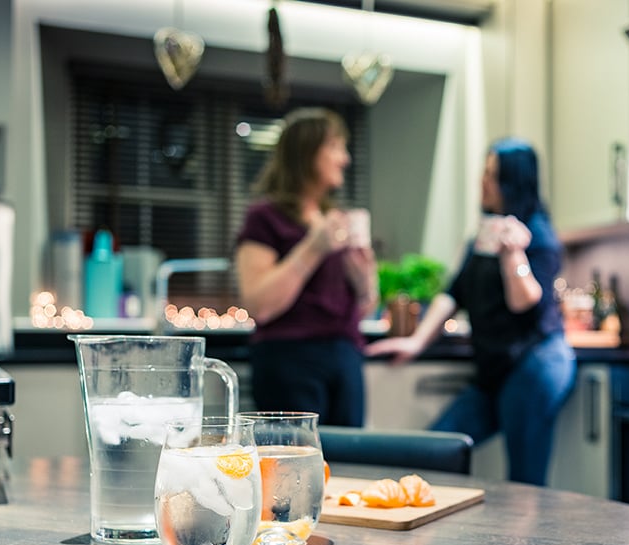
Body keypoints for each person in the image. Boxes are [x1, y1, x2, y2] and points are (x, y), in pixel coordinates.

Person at [366, 138, 576, 485]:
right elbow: (454, 292)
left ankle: (526, 541)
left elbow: (526, 302)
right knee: (435, 449)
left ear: (514, 181)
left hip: (534, 365)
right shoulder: (486, 232)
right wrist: (417, 341)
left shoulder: (537, 235)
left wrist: (514, 256)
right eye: (485, 170)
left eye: (492, 174)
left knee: (525, 482)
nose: (483, 180)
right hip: (495, 369)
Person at [235, 107, 379, 427]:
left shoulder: (335, 219)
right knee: (294, 466)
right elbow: (260, 305)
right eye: (336, 147)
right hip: (289, 359)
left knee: (350, 466)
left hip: (345, 357)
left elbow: (366, 306)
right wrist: (314, 249)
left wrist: (364, 275)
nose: (345, 159)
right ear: (307, 153)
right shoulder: (265, 217)